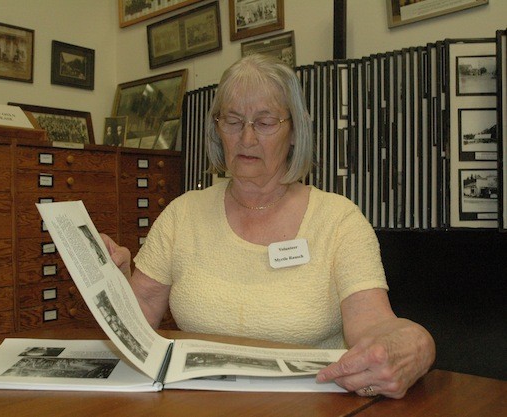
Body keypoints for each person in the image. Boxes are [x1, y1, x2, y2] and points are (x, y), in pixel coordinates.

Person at [101, 54, 435, 399]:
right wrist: (115, 282)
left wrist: (418, 345)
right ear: (216, 129)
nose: (246, 138)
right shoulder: (182, 215)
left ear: (294, 131)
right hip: (203, 404)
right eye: (232, 121)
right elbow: (136, 323)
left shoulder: (339, 220)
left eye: (264, 122)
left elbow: (374, 325)